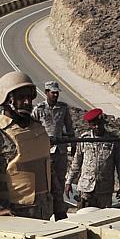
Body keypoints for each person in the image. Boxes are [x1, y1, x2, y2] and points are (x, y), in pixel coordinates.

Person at [0, 71, 53, 220]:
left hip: (43, 215)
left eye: (29, 97)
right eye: (21, 97)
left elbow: (49, 170)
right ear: (7, 100)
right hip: (12, 218)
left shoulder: (37, 129)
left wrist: (59, 207)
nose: (27, 102)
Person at [33, 81, 75, 218]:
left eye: (57, 93)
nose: (55, 95)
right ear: (46, 92)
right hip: (45, 151)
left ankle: (59, 210)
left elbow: (69, 127)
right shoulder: (39, 109)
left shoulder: (63, 108)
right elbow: (32, 129)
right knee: (46, 182)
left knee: (60, 182)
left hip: (60, 151)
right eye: (53, 93)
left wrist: (72, 144)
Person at [68, 108, 120, 208]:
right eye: (94, 125)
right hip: (86, 188)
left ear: (103, 122)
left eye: (99, 124)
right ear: (90, 125)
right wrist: (69, 182)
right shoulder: (84, 139)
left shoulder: (113, 140)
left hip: (104, 189)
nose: (97, 127)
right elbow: (77, 162)